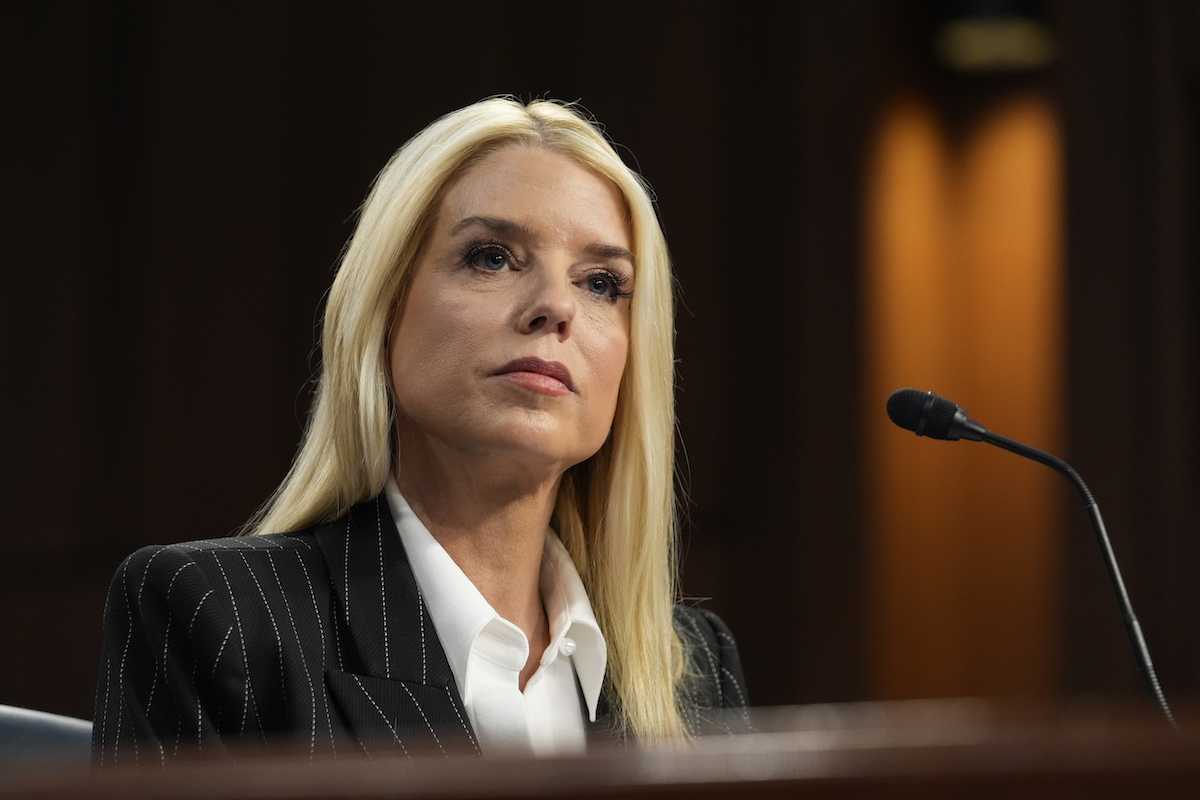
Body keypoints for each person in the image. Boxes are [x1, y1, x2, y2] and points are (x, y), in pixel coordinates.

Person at [92, 97, 748, 765]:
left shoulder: (695, 671)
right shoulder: (218, 617)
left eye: (602, 283)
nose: (555, 307)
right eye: (492, 257)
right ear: (381, 316)